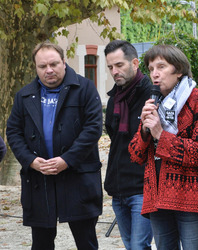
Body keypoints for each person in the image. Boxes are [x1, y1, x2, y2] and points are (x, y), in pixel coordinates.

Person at [6, 41, 103, 250]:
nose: (49, 70)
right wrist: (30, 161)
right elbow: (13, 132)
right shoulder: (23, 96)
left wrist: (67, 160)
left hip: (78, 178)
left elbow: (93, 129)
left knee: (86, 242)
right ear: (35, 68)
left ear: (64, 62)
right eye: (42, 66)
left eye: (54, 64)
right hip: (39, 181)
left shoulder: (85, 88)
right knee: (41, 244)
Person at [128, 44, 198, 250]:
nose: (155, 74)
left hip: (191, 197)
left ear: (178, 71)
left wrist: (161, 134)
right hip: (157, 198)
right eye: (151, 69)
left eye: (161, 67)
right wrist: (144, 130)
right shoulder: (153, 103)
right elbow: (135, 155)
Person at [104, 40, 153, 250]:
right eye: (110, 67)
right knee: (130, 245)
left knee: (138, 246)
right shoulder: (114, 98)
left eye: (119, 65)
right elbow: (115, 140)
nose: (115, 71)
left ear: (134, 63)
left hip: (143, 187)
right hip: (118, 186)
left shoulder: (152, 94)